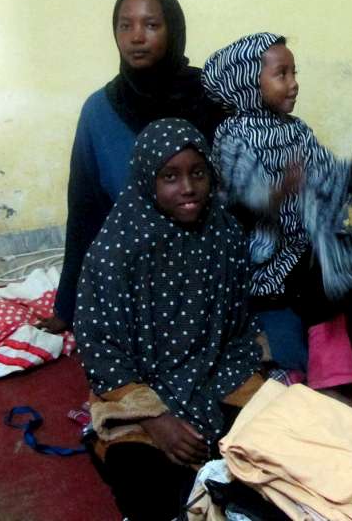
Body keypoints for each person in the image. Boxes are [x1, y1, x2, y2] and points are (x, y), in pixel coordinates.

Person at [74, 119, 263, 521]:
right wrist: (156, 420)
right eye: (170, 177)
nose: (188, 187)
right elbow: (101, 352)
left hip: (219, 376)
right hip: (138, 390)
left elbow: (236, 327)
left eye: (198, 173)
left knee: (276, 454)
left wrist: (215, 394)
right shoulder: (114, 251)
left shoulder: (223, 233)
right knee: (146, 486)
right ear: (147, 180)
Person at [40, 0, 224, 333]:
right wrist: (67, 306)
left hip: (208, 265)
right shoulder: (99, 111)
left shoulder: (209, 98)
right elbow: (85, 211)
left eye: (151, 25)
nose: (136, 37)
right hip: (134, 272)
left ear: (173, 29)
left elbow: (236, 196)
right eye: (125, 26)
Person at [202, 32, 352, 387]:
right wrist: (277, 193)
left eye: (294, 73)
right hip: (264, 258)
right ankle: (330, 368)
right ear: (248, 82)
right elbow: (242, 195)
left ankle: (343, 345)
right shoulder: (232, 134)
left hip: (301, 243)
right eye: (282, 74)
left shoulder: (297, 131)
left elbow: (329, 175)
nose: (293, 84)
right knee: (321, 275)